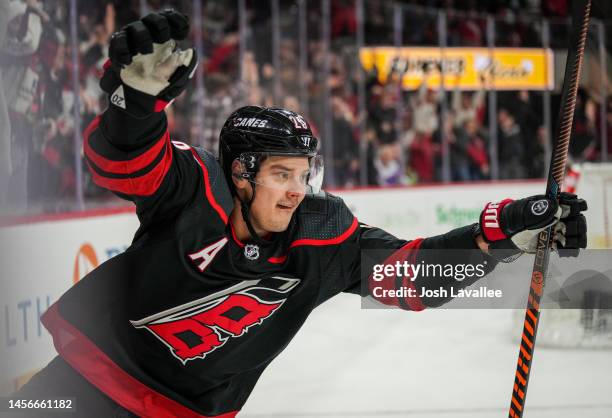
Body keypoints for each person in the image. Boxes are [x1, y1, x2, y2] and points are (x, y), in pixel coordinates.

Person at [13, 10, 588, 418]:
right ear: (240, 174)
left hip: (185, 413)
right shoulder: (194, 187)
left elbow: (412, 278)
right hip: (80, 384)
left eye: (303, 173)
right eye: (281, 175)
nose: (296, 190)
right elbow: (124, 161)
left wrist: (501, 232)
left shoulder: (323, 233)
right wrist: (135, 103)